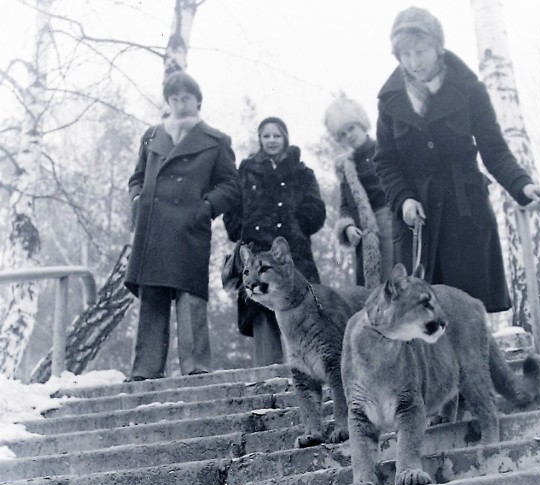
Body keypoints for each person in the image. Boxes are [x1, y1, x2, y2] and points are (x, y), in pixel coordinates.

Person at [374, 6, 540, 313]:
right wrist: (404, 198)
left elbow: (494, 149)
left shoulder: (469, 90)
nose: (414, 62)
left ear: (439, 48)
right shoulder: (389, 101)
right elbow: (385, 162)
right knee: (420, 314)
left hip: (463, 214)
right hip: (419, 223)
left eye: (421, 52)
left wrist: (523, 186)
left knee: (467, 313)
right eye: (406, 55)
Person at [125, 71, 240, 380]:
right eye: (174, 98)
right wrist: (137, 199)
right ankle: (145, 371)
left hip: (190, 226)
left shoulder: (216, 140)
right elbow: (136, 177)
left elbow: (231, 185)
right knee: (152, 295)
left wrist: (206, 207)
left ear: (197, 100)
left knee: (190, 296)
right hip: (154, 227)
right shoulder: (152, 135)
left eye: (185, 98)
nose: (179, 104)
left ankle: (196, 368)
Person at [224, 116, 326, 366]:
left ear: (285, 138)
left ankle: (305, 371)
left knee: (301, 309)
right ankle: (268, 373)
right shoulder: (246, 171)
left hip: (293, 254)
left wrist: (301, 222)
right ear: (259, 139)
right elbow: (232, 207)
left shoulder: (302, 173)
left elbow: (316, 208)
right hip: (257, 252)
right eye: (266, 136)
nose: (271, 141)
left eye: (276, 135)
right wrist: (240, 230)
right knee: (261, 310)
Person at [323, 97, 394, 288]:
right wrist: (347, 228)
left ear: (362, 124)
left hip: (396, 223)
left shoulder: (388, 148)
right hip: (368, 233)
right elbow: (345, 205)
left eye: (351, 128)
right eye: (343, 134)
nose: (349, 136)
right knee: (375, 292)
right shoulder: (347, 167)